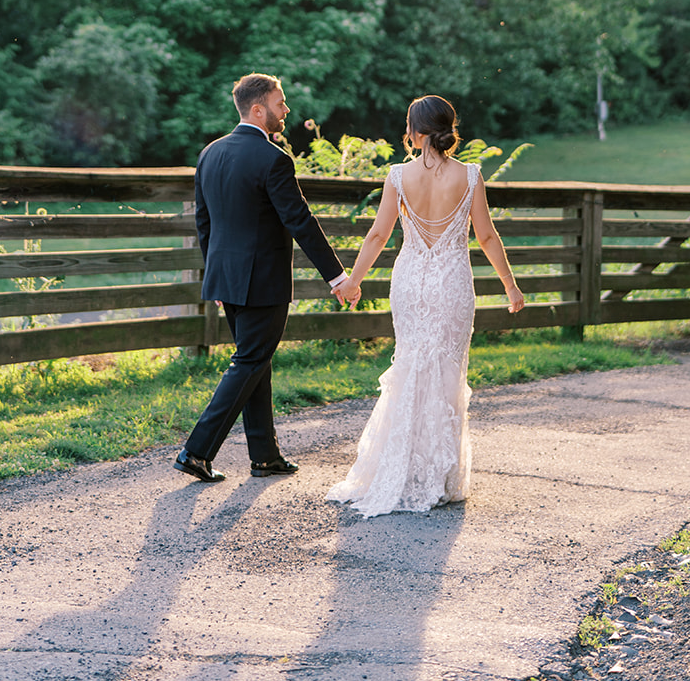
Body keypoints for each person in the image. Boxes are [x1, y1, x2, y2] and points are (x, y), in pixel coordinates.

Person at [326, 94, 524, 518]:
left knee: (412, 365)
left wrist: (354, 280)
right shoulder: (470, 176)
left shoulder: (399, 176)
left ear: (416, 132)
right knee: (447, 371)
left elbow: (378, 235)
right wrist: (510, 287)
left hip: (411, 281)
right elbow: (487, 237)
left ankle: (405, 469)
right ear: (448, 129)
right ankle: (440, 476)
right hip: (452, 281)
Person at [174, 73, 361, 483]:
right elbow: (300, 221)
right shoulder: (274, 158)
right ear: (258, 109)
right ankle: (196, 450)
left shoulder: (209, 153)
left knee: (256, 362)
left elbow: (203, 224)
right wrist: (337, 277)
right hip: (262, 282)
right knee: (248, 361)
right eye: (280, 103)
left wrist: (218, 279)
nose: (286, 110)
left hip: (227, 279)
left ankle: (264, 455)